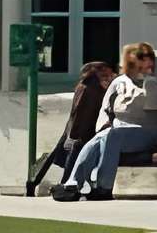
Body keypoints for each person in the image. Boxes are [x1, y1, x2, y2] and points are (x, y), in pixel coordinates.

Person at [63, 43, 157, 201]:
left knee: (112, 135)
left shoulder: (154, 83)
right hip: (117, 129)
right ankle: (73, 184)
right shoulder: (118, 82)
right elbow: (105, 107)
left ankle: (104, 186)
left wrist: (146, 82)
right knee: (100, 138)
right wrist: (104, 125)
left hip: (145, 131)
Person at [26, 62, 113, 197]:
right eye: (105, 74)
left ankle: (40, 183)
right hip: (79, 130)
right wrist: (73, 135)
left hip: (82, 129)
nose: (108, 77)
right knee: (69, 157)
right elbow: (78, 112)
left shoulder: (94, 87)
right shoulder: (87, 88)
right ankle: (53, 185)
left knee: (65, 157)